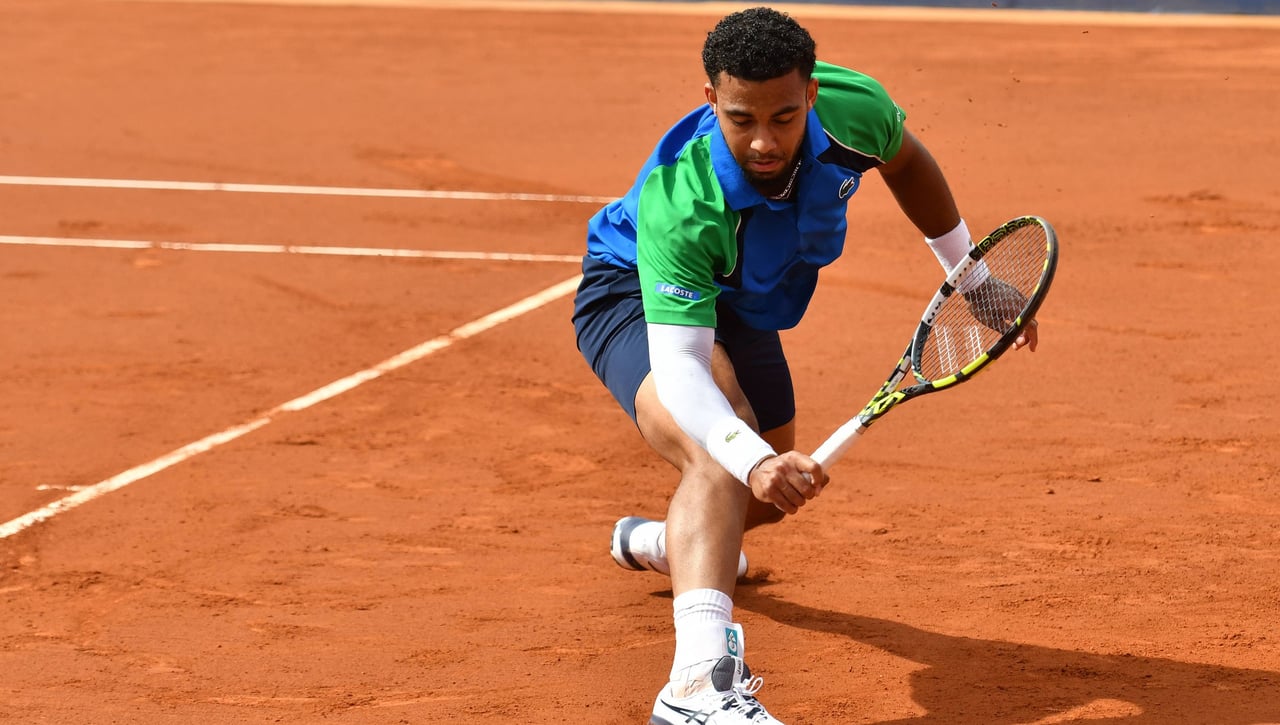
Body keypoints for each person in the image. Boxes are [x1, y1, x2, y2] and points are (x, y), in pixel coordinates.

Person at [571, 7, 1039, 724]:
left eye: (785, 117)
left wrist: (970, 279)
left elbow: (907, 161)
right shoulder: (683, 199)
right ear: (711, 101)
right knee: (723, 454)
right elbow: (683, 368)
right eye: (739, 118)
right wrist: (745, 453)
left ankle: (670, 542)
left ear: (813, 94)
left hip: (741, 305)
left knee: (762, 496)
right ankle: (696, 683)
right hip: (635, 293)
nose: (763, 140)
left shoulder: (857, 110)